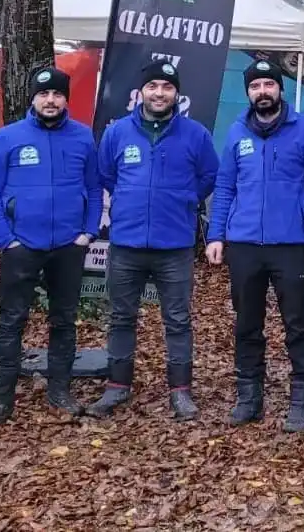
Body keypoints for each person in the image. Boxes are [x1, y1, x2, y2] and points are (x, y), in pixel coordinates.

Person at [88, 59, 218, 421]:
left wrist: (183, 199)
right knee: (121, 316)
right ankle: (117, 385)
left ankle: (181, 392)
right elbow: (106, 174)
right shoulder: (117, 133)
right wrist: (130, 200)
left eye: (167, 87)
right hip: (126, 243)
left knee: (177, 319)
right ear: (141, 92)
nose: (159, 93)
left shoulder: (195, 135)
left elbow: (209, 175)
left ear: (177, 94)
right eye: (153, 87)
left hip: (174, 245)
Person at [205, 59, 304, 433]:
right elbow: (225, 187)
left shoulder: (303, 130)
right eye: (255, 86)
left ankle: (301, 397)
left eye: (268, 85)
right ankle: (249, 395)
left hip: (292, 243)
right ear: (249, 92)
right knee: (247, 322)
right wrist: (216, 234)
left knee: (298, 323)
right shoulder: (237, 132)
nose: (262, 91)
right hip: (244, 243)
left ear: (279, 88)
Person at [0, 66, 103, 425]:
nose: (51, 100)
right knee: (11, 320)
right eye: (44, 94)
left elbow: (94, 188)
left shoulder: (82, 137)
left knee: (64, 320)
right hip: (22, 247)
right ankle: (1, 400)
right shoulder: (8, 137)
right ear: (33, 98)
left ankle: (59, 390)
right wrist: (6, 239)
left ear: (66, 99)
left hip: (68, 246)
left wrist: (87, 233)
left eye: (57, 94)